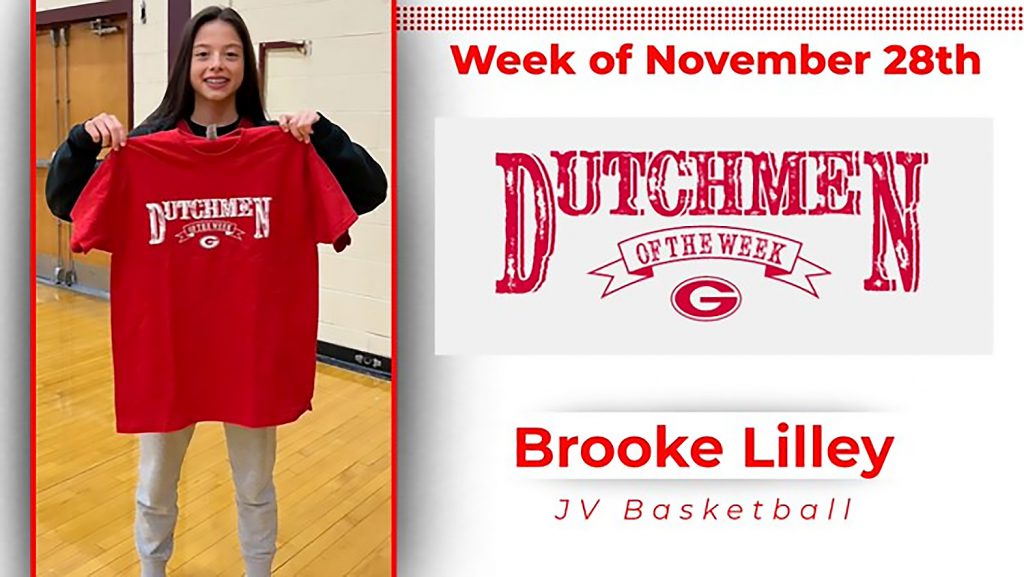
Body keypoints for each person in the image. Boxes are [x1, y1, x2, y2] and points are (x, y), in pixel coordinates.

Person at [43, 6, 387, 577]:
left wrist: (324, 133)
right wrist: (82, 141)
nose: (217, 65)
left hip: (250, 349)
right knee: (155, 485)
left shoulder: (279, 147)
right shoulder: (143, 148)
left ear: (247, 67)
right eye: (204, 54)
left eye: (230, 53)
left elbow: (369, 189)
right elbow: (64, 204)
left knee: (255, 486)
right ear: (185, 65)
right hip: (166, 349)